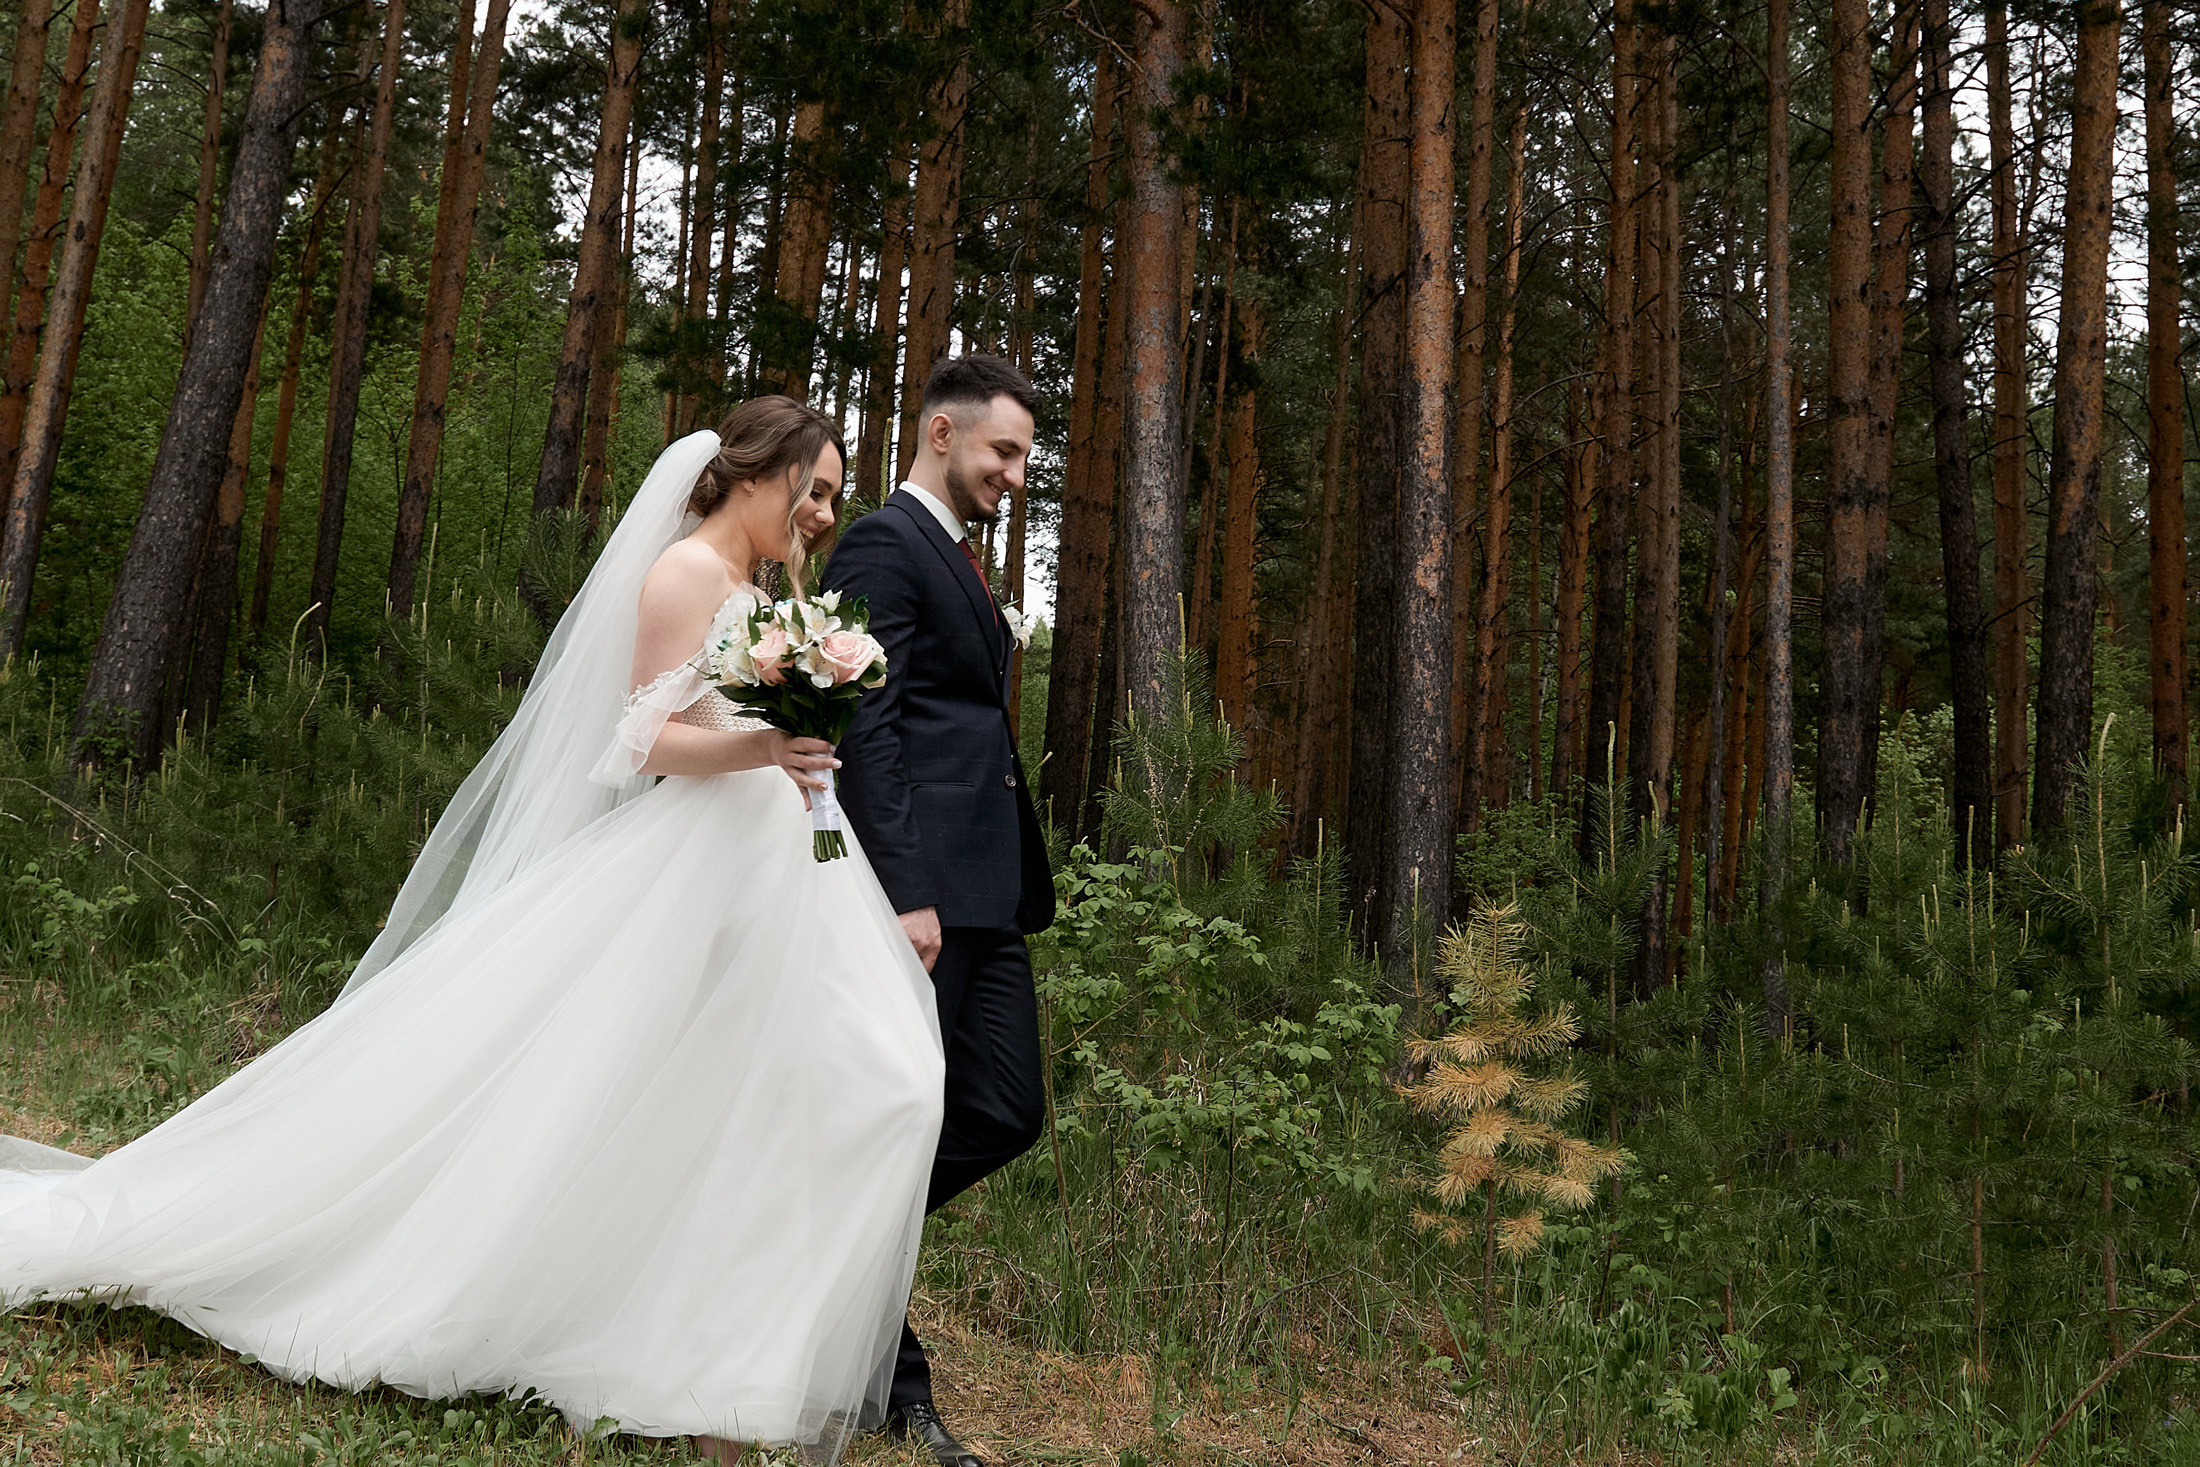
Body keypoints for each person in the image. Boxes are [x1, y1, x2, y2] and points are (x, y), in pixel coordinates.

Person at [0, 397, 942, 1466]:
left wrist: (799, 739)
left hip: (774, 866)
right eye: (812, 489)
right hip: (701, 862)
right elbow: (640, 742)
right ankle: (692, 1366)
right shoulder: (686, 574)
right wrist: (766, 749)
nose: (823, 515)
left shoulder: (762, 593)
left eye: (830, 497)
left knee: (859, 1087)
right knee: (711, 1092)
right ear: (755, 472)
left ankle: (722, 1351)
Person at [823, 354, 1056, 1467]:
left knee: (1005, 1110)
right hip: (927, 893)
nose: (1015, 474)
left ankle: (820, 1250)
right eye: (1002, 451)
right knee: (907, 1115)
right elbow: (869, 724)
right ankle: (889, 1377)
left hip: (988, 888)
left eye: (1024, 459)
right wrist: (906, 892)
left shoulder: (954, 555)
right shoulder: (882, 541)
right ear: (937, 433)